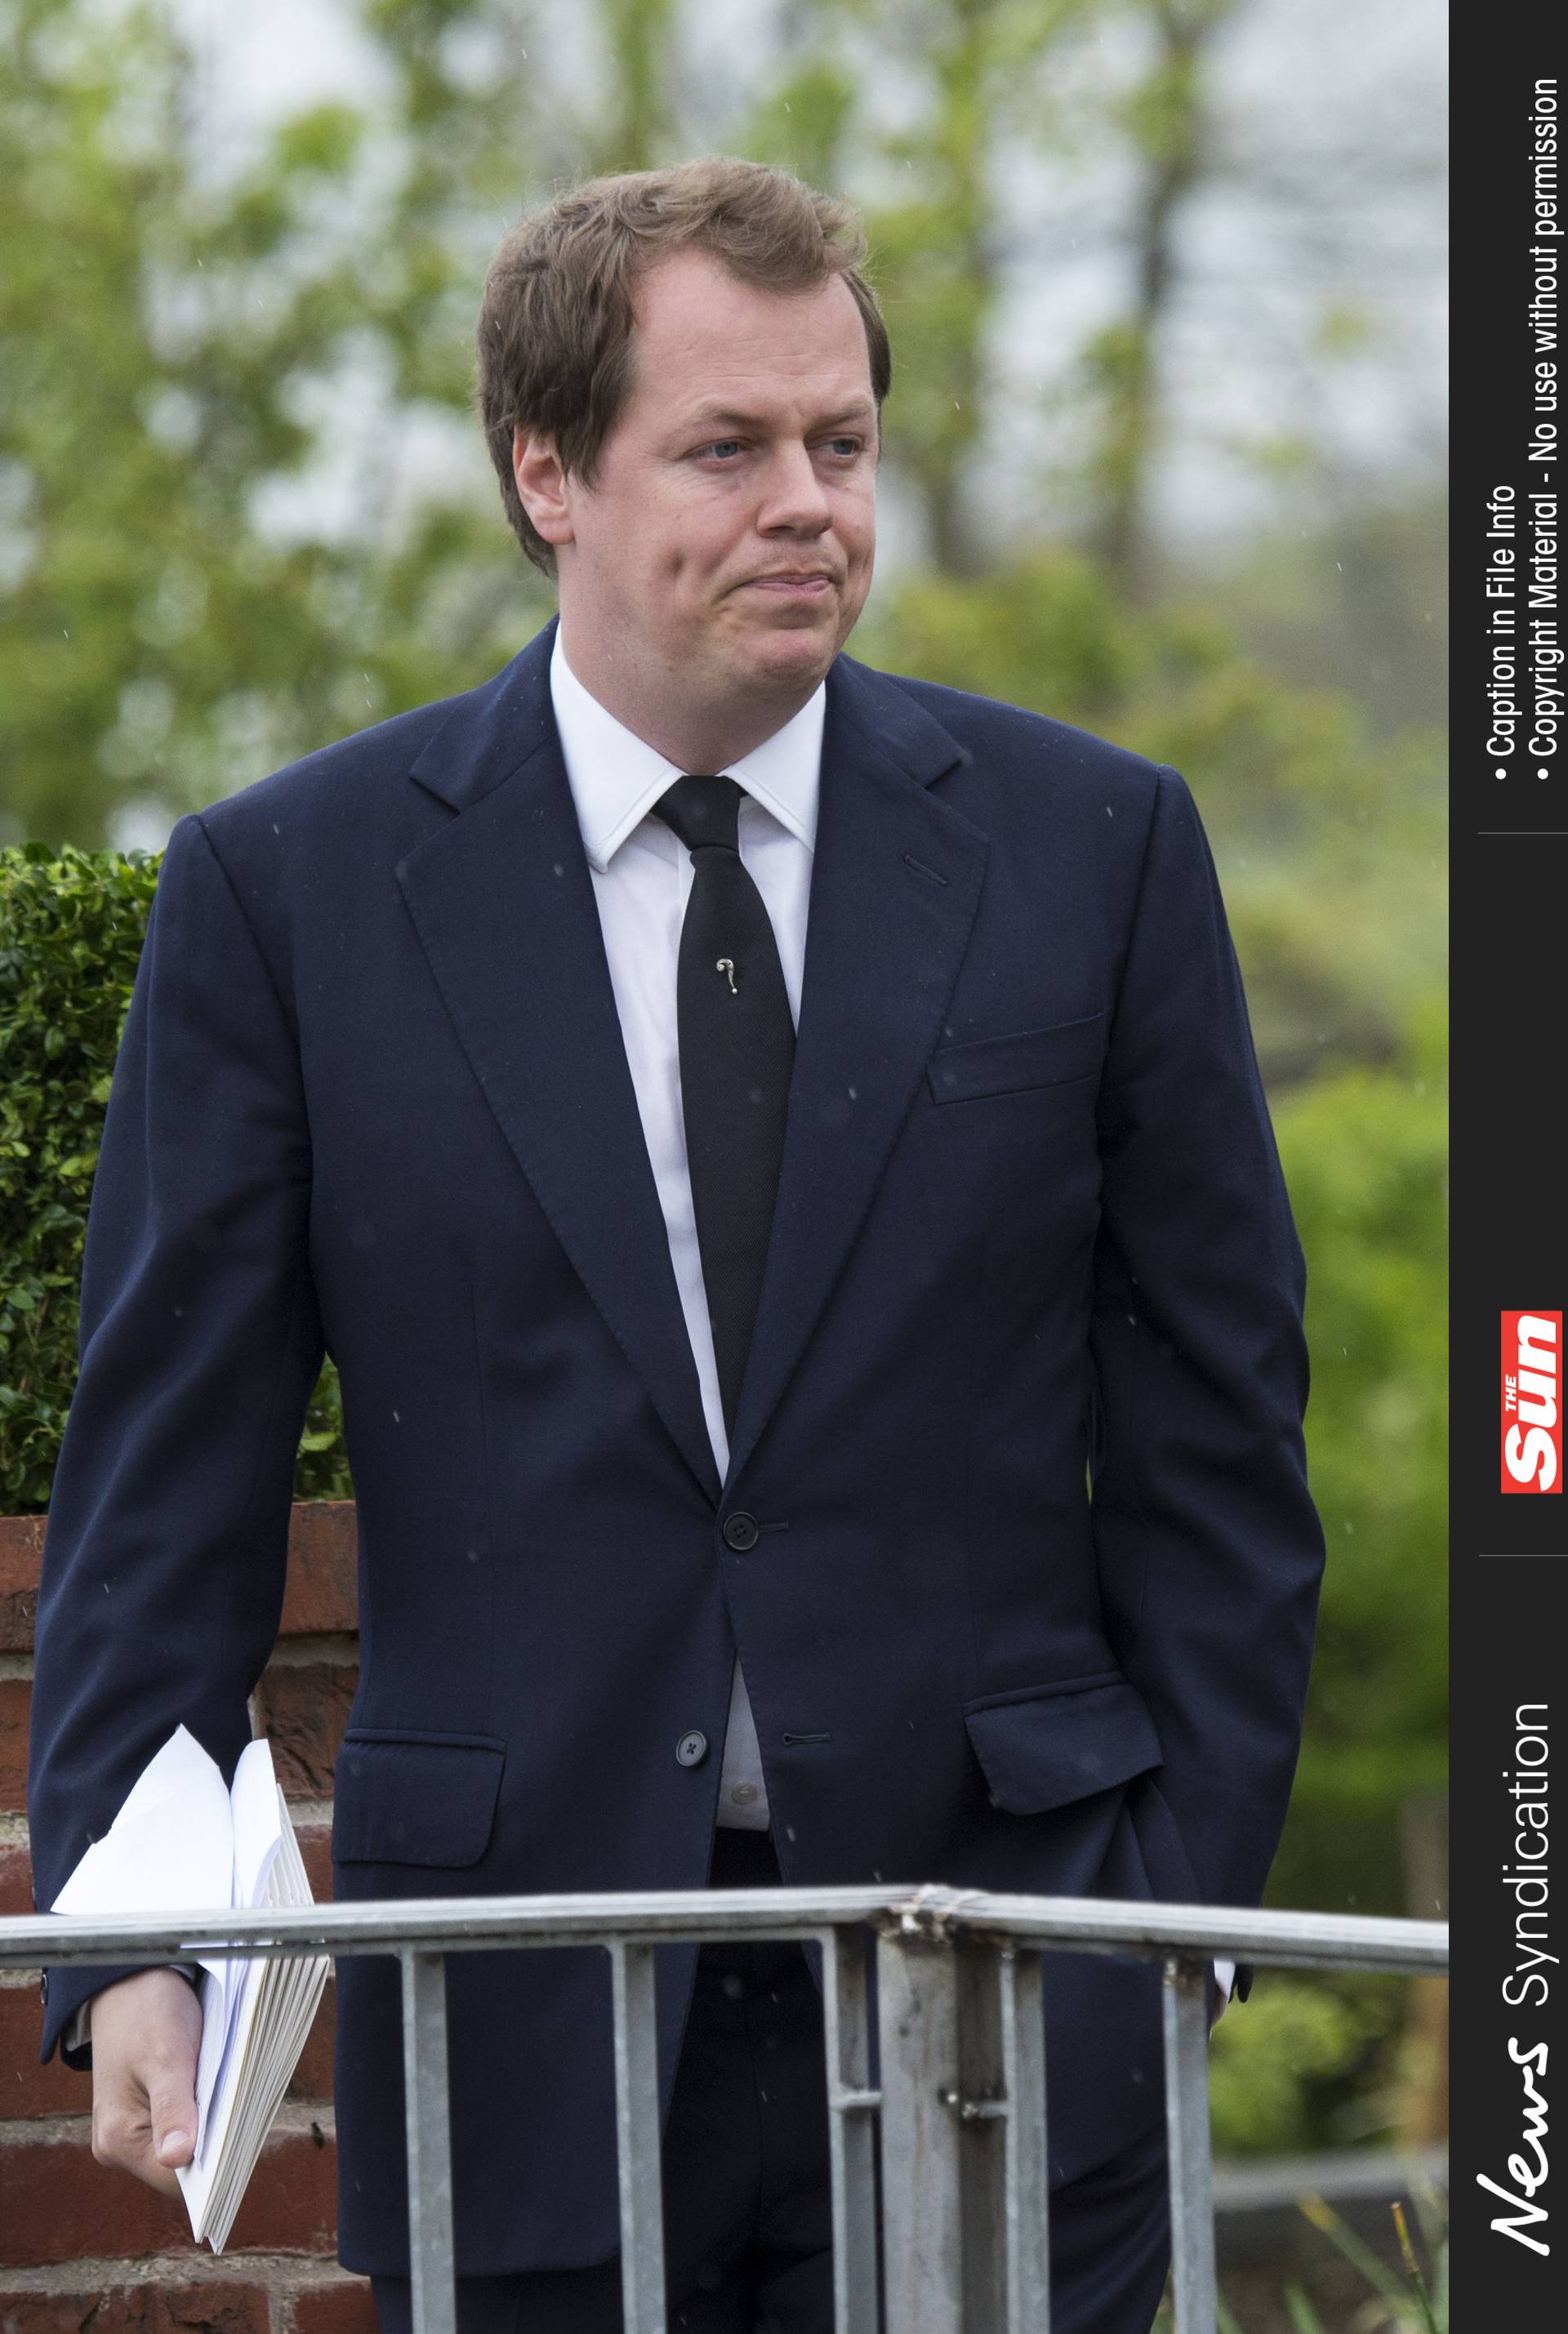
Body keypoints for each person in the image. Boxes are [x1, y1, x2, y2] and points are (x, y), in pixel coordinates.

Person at [28, 157, 1325, 2332]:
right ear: (549, 471)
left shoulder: (1099, 851)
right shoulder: (292, 897)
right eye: (727, 448)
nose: (807, 498)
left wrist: (1167, 1924)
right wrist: (136, 1936)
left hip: (1002, 1970)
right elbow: (167, 1471)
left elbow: (1221, 1440)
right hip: (517, 1997)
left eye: (840, 441)